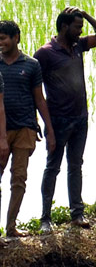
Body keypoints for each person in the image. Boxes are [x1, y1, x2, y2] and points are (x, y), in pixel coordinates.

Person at [35, 7, 96, 231]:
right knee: (52, 167)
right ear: (64, 27)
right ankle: (45, 218)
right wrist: (45, 125)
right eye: (77, 27)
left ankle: (77, 214)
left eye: (82, 27)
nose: (80, 31)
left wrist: (85, 15)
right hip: (58, 119)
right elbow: (36, 91)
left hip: (80, 118)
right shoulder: (45, 53)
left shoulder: (78, 46)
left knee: (75, 165)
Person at [0, 21, 55, 238]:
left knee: (19, 178)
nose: (1, 42)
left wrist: (49, 128)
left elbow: (39, 98)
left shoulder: (31, 65)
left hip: (25, 127)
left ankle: (11, 227)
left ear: (16, 39)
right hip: (1, 130)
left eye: (4, 38)